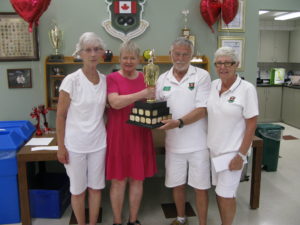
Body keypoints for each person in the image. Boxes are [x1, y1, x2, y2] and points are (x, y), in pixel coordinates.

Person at [156, 37, 211, 225]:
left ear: (192, 56)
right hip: (174, 145)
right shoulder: (162, 79)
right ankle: (181, 218)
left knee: (200, 187)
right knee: (177, 184)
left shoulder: (202, 76)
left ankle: (202, 222)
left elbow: (202, 110)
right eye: (177, 54)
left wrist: (178, 122)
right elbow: (157, 108)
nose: (180, 58)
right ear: (171, 54)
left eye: (185, 54)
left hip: (198, 145)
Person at [56, 32, 107, 225]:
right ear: (80, 53)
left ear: (102, 52)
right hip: (75, 146)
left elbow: (107, 111)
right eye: (88, 50)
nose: (93, 54)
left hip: (98, 144)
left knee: (95, 189)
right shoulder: (71, 80)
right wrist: (61, 147)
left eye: (96, 49)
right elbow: (61, 116)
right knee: (78, 190)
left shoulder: (104, 80)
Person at [106, 40, 157, 225]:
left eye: (132, 57)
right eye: (125, 57)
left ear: (138, 60)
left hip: (140, 134)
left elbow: (153, 101)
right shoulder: (112, 78)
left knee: (137, 179)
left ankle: (133, 220)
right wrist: (142, 94)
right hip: (118, 135)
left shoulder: (146, 77)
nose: (128, 61)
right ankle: (117, 221)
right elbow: (115, 103)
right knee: (118, 181)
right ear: (120, 59)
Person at [207, 46, 258, 225]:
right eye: (219, 63)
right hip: (215, 151)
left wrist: (241, 155)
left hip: (233, 153)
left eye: (227, 63)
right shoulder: (213, 85)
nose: (223, 67)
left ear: (236, 64)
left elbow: (251, 124)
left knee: (226, 195)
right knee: (220, 194)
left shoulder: (246, 89)